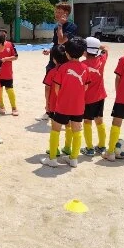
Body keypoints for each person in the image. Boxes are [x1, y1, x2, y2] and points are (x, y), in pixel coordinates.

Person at [41, 37, 89, 168]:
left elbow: (56, 87)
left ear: (67, 53)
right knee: (76, 130)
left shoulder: (63, 68)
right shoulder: (85, 68)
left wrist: (63, 97)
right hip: (79, 106)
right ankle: (73, 159)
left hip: (62, 105)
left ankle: (52, 159)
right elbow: (86, 86)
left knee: (55, 129)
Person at [38, 2, 77, 120]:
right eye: (56, 11)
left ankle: (66, 112)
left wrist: (60, 25)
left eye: (59, 12)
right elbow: (55, 43)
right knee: (48, 86)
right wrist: (49, 50)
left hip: (65, 63)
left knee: (64, 88)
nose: (56, 14)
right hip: (53, 62)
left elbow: (61, 41)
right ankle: (48, 110)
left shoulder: (71, 27)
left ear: (66, 14)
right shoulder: (56, 26)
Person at [82, 37, 109, 156]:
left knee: (87, 121)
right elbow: (106, 49)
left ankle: (89, 148)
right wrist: (99, 47)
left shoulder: (82, 65)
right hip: (100, 96)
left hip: (87, 99)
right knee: (99, 120)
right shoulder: (101, 60)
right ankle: (102, 145)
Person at [0, 28, 19, 116]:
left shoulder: (10, 44)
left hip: (8, 73)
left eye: (5, 35)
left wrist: (5, 59)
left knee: (10, 90)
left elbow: (16, 56)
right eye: (1, 34)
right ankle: (2, 107)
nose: (4, 36)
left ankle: (14, 107)